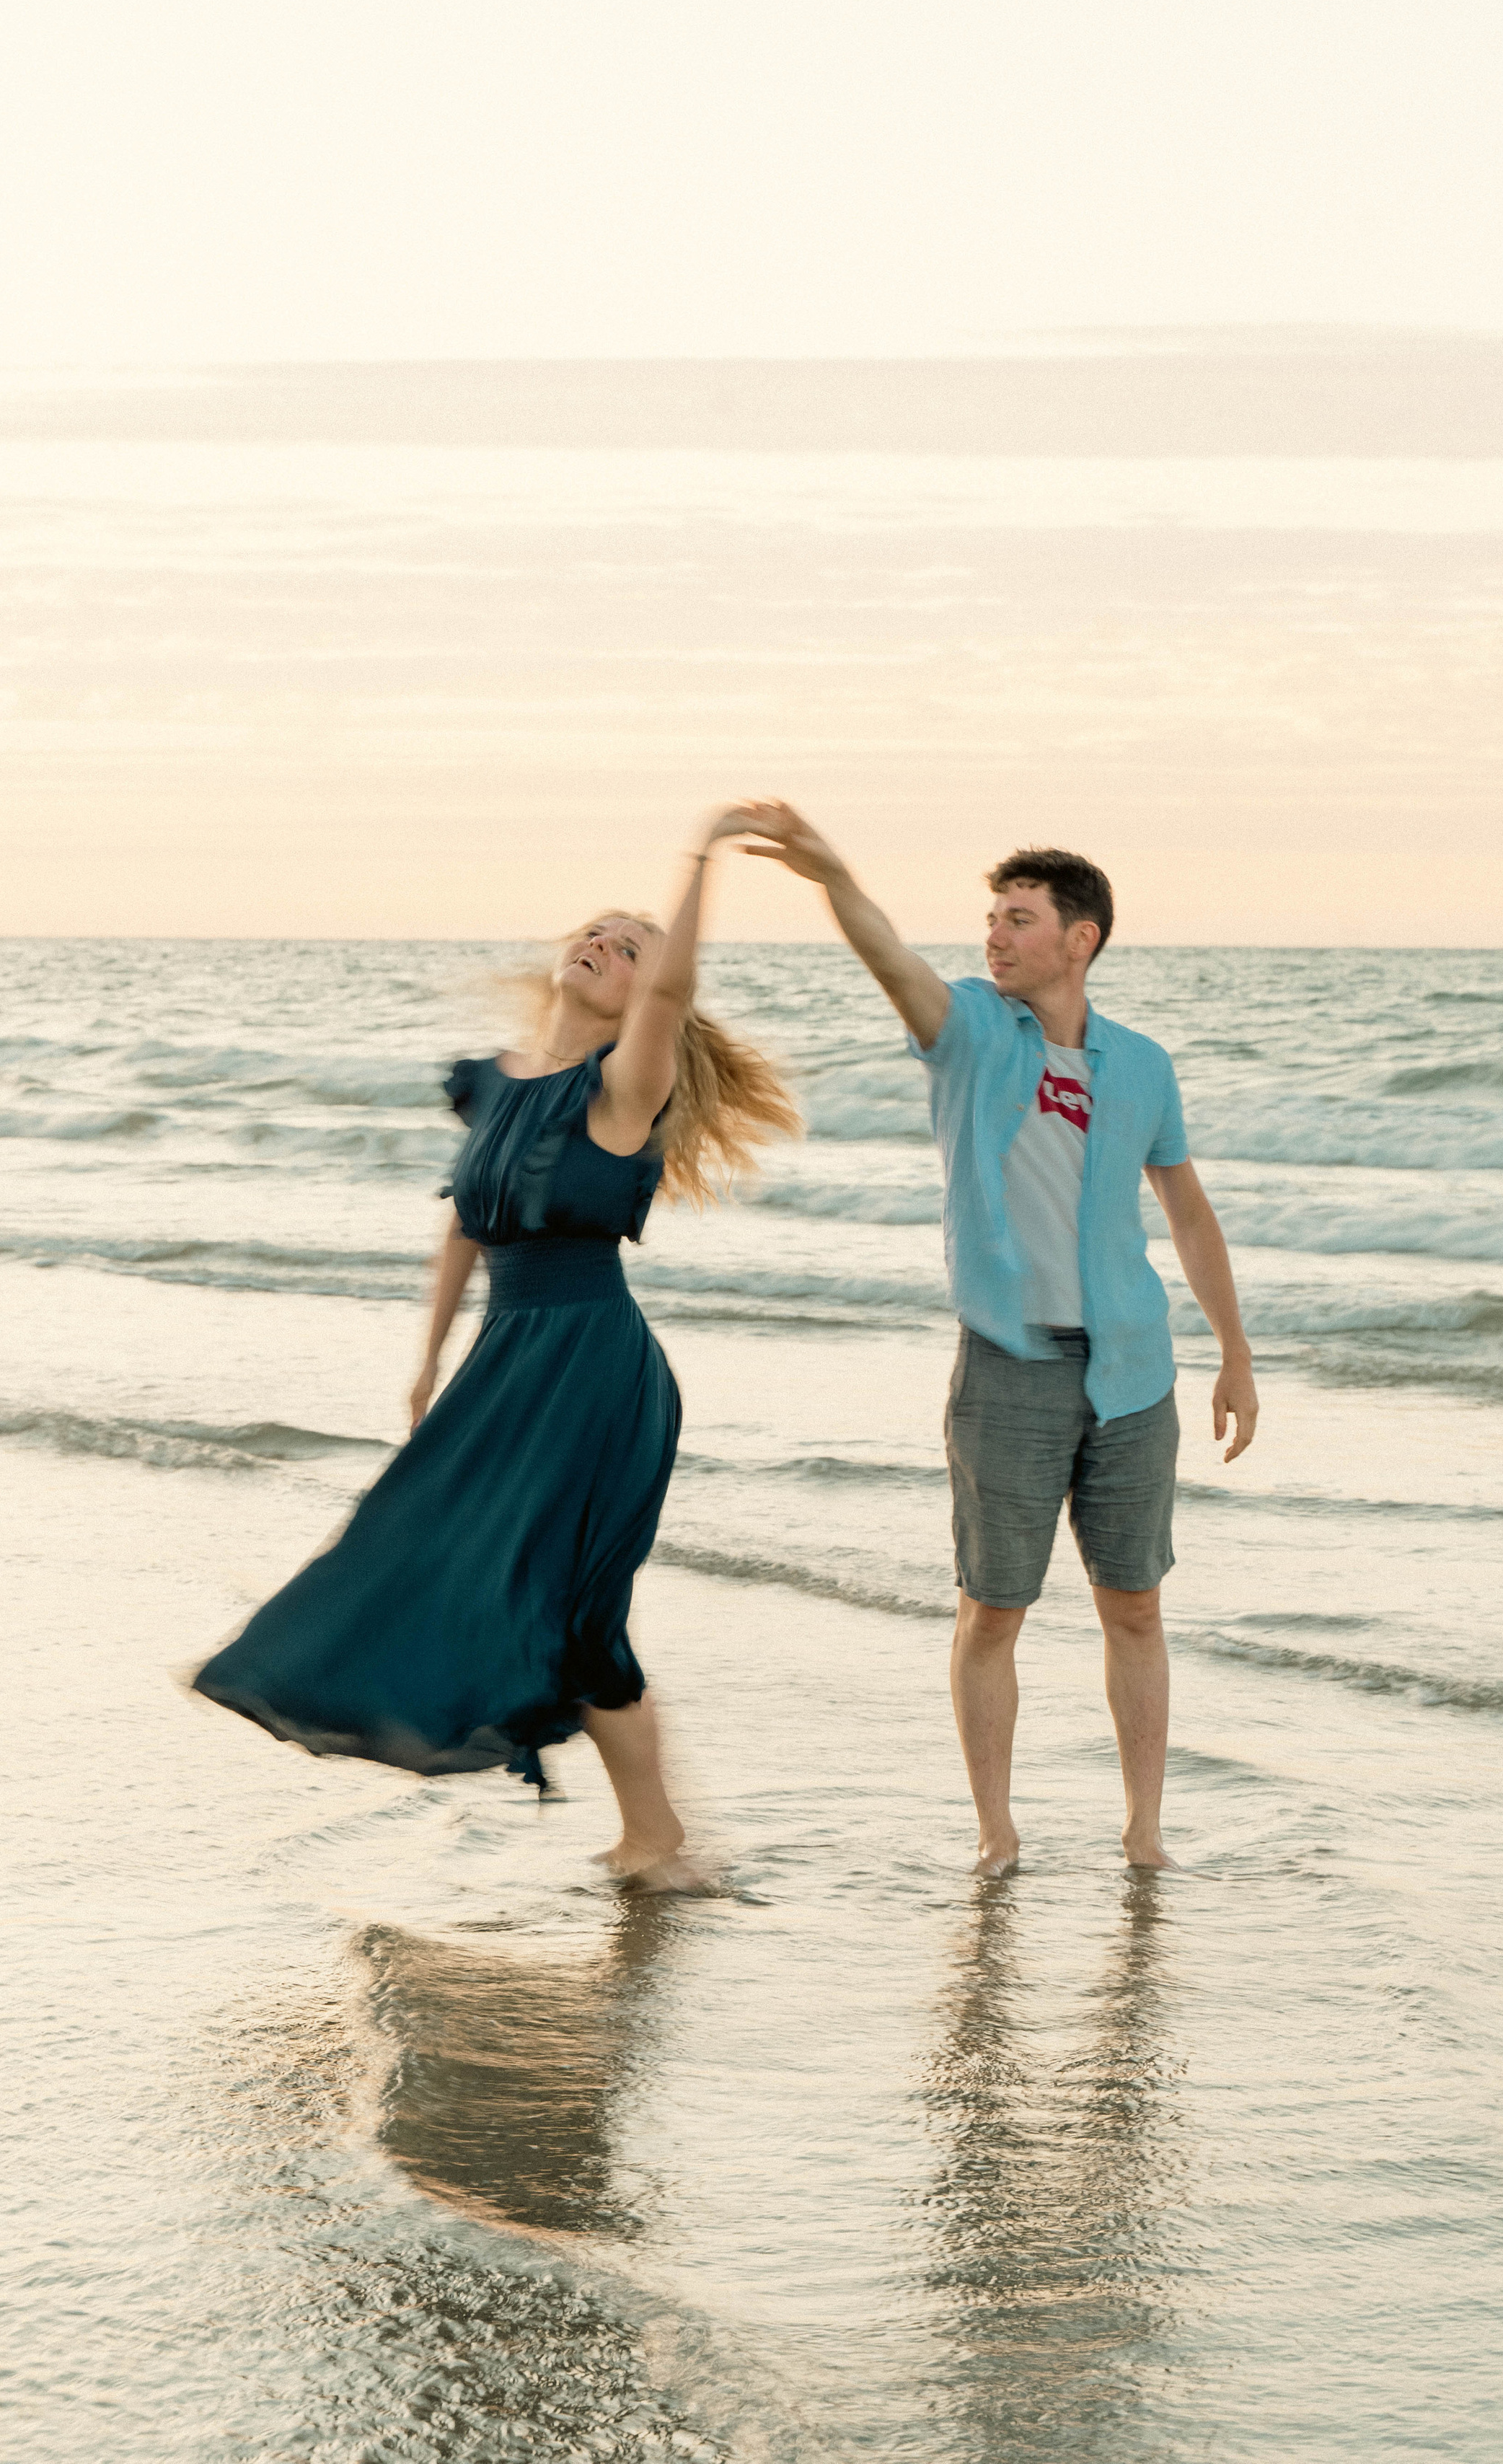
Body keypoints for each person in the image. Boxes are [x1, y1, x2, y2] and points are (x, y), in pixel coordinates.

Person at [192, 811, 796, 1888]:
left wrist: (700, 859)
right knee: (428, 1542)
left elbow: (668, 992)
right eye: (597, 931)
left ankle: (660, 1842)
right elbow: (467, 1222)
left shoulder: (625, 1086)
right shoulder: (491, 1083)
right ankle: (657, 1841)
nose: (605, 945)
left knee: (570, 1601)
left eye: (632, 946)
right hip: (508, 1360)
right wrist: (427, 1360)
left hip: (594, 1367)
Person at [734, 801, 1256, 1874]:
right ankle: (996, 1834)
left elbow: (1190, 1215)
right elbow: (891, 960)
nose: (996, 935)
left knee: (1137, 1608)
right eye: (992, 918)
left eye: (1020, 918)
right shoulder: (970, 1030)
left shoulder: (1143, 1065)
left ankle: (1145, 1835)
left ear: (1081, 939)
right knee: (992, 1611)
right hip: (1008, 1365)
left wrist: (1235, 1356)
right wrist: (833, 872)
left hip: (1132, 1371)